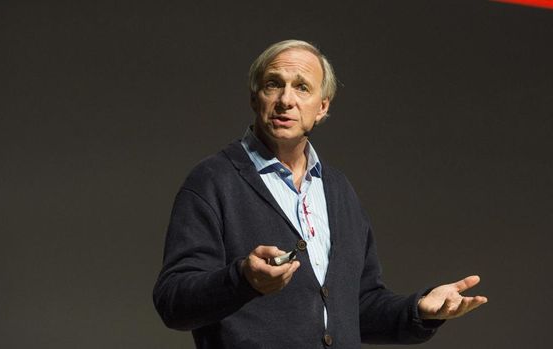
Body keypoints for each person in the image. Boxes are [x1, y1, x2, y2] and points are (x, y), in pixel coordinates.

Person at [153, 39, 487, 348]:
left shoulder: (337, 190)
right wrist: (242, 279)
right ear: (255, 97)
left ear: (323, 107)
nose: (286, 99)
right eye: (273, 84)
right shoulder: (213, 181)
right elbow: (173, 303)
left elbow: (359, 307)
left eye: (302, 87)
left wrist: (420, 309)